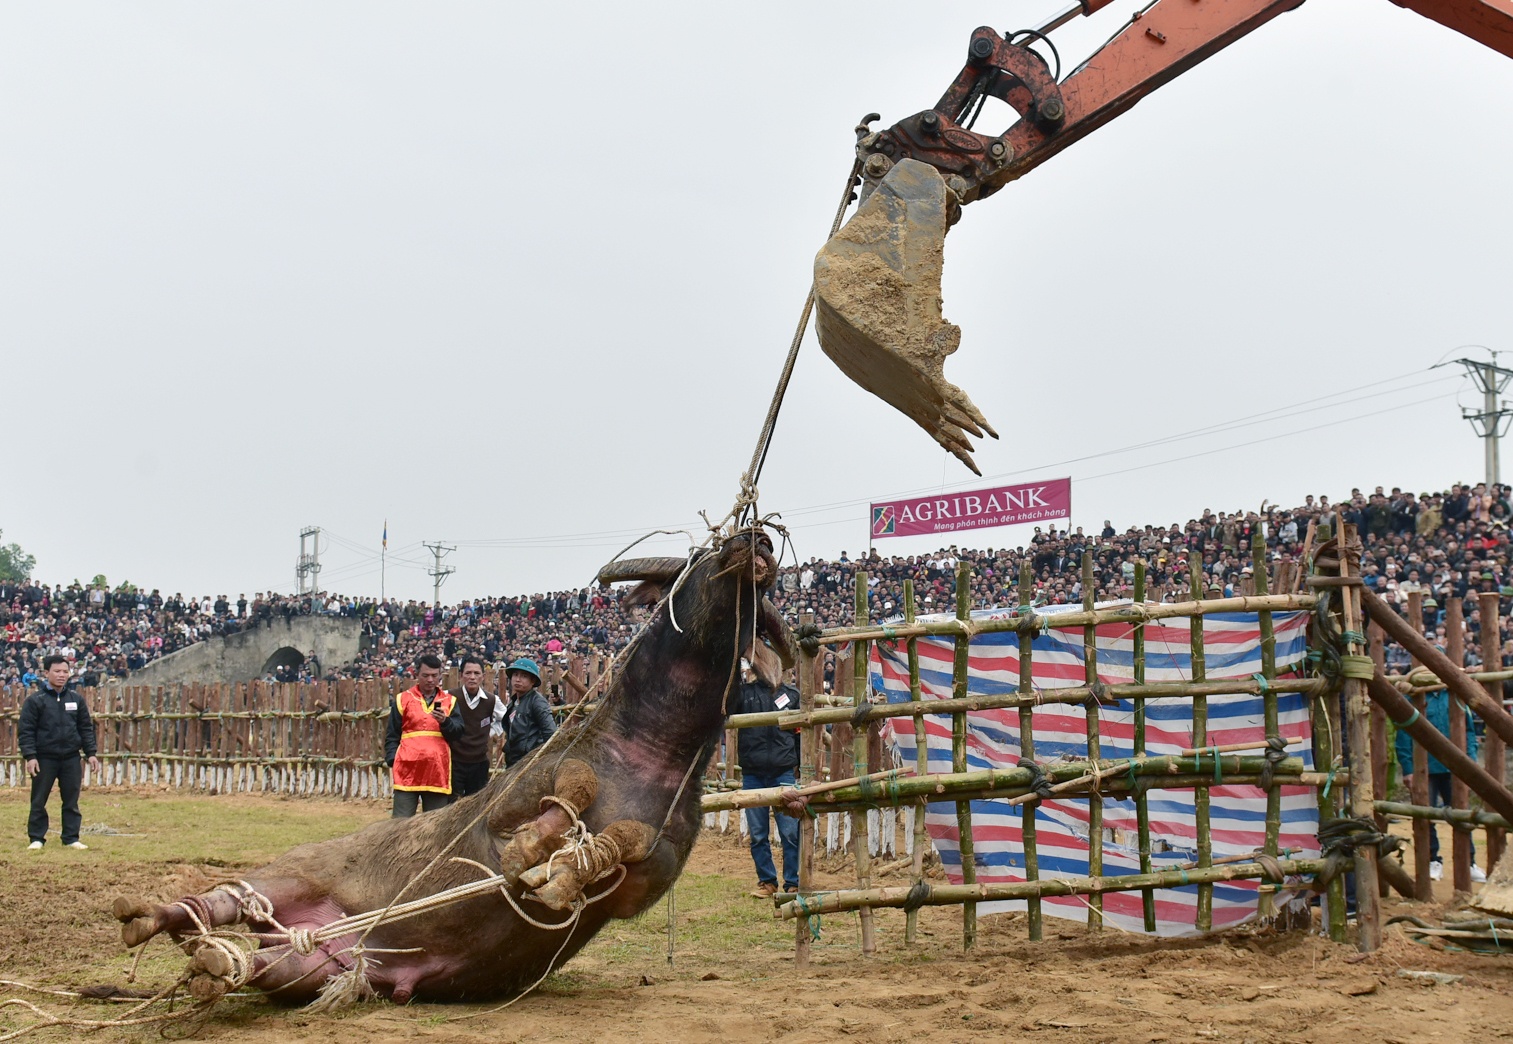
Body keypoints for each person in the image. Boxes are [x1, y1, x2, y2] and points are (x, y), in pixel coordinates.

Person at [1395, 683, 1485, 883]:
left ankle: (1469, 862)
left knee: (1462, 814)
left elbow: (1470, 731)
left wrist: (1470, 761)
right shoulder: (1414, 696)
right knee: (1426, 816)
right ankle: (1433, 861)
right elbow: (1403, 735)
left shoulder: (1455, 696)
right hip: (1424, 768)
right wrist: (1408, 768)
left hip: (1455, 767)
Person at [19, 654, 100, 850]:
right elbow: (26, 730)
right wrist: (30, 756)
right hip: (44, 758)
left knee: (71, 800)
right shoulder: (35, 701)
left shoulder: (76, 700)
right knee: (39, 799)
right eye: (57, 671)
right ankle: (37, 838)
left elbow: (85, 728)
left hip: (71, 758)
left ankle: (71, 838)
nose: (62, 675)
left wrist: (91, 753)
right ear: (46, 673)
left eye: (65, 671)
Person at [733, 662, 801, 898]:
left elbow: (799, 735)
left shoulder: (792, 696)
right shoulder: (744, 695)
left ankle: (793, 882)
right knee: (759, 833)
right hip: (753, 773)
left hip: (783, 772)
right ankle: (767, 882)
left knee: (790, 832)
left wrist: (798, 766)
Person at [384, 654, 463, 817]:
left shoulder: (450, 701)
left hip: (437, 769)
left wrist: (445, 722)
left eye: (434, 675)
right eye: (425, 675)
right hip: (407, 768)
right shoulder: (402, 699)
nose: (430, 680)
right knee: (400, 823)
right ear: (416, 675)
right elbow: (392, 734)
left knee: (434, 825)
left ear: (440, 676)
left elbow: (458, 733)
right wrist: (393, 759)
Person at [447, 655, 503, 801]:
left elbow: (506, 719)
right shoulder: (449, 697)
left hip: (479, 762)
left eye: (476, 673)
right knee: (451, 805)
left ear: (483, 677)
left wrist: (490, 732)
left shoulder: (491, 700)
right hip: (454, 762)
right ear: (461, 676)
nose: (472, 677)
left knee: (476, 804)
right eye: (468, 673)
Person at [501, 658, 555, 767]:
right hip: (513, 761)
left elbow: (551, 733)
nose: (518, 679)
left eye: (524, 676)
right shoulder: (513, 702)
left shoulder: (537, 702)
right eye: (515, 675)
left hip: (530, 763)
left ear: (533, 681)